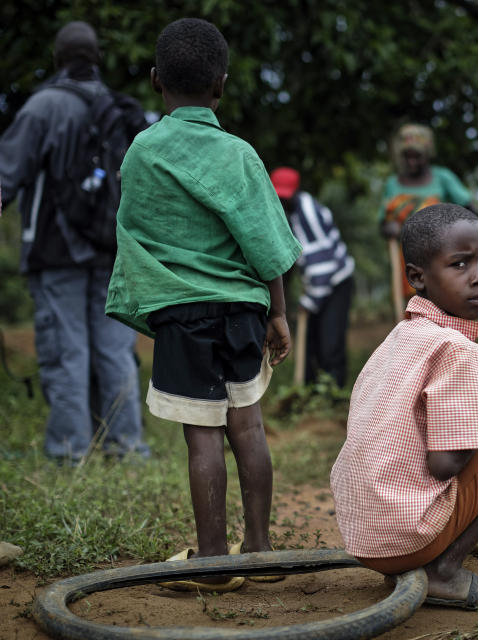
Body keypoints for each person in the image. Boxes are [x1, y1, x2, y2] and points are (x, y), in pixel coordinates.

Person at [105, 18, 302, 591]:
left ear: (154, 82)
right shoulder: (238, 154)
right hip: (241, 310)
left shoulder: (142, 152)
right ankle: (261, 553)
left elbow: (135, 231)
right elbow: (267, 243)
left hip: (181, 313)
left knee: (203, 436)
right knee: (249, 426)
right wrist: (279, 312)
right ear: (221, 84)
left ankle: (214, 561)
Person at [331, 204, 478, 611]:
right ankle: (445, 570)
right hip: (409, 539)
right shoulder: (459, 351)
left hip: (365, 536)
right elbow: (445, 465)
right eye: (460, 264)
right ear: (417, 276)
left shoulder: (401, 338)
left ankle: (441, 553)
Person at [0, 21, 150, 464]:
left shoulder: (43, 107)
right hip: (111, 250)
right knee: (115, 351)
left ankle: (70, 453)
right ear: (97, 59)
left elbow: (5, 176)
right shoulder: (120, 109)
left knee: (67, 351)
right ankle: (126, 449)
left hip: (56, 251)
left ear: (57, 59)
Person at [270, 167, 354, 387]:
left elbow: (323, 268)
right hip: (317, 284)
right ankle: (309, 390)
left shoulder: (308, 212)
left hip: (336, 282)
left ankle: (332, 394)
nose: (282, 202)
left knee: (330, 342)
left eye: (285, 198)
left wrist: (308, 303)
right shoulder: (287, 214)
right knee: (310, 341)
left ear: (295, 193)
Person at [379, 124, 472, 299]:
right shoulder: (393, 184)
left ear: (427, 155)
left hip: (443, 253)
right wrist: (388, 227)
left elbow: (469, 209)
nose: (411, 162)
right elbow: (383, 221)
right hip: (407, 259)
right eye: (407, 157)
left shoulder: (442, 178)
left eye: (417, 156)